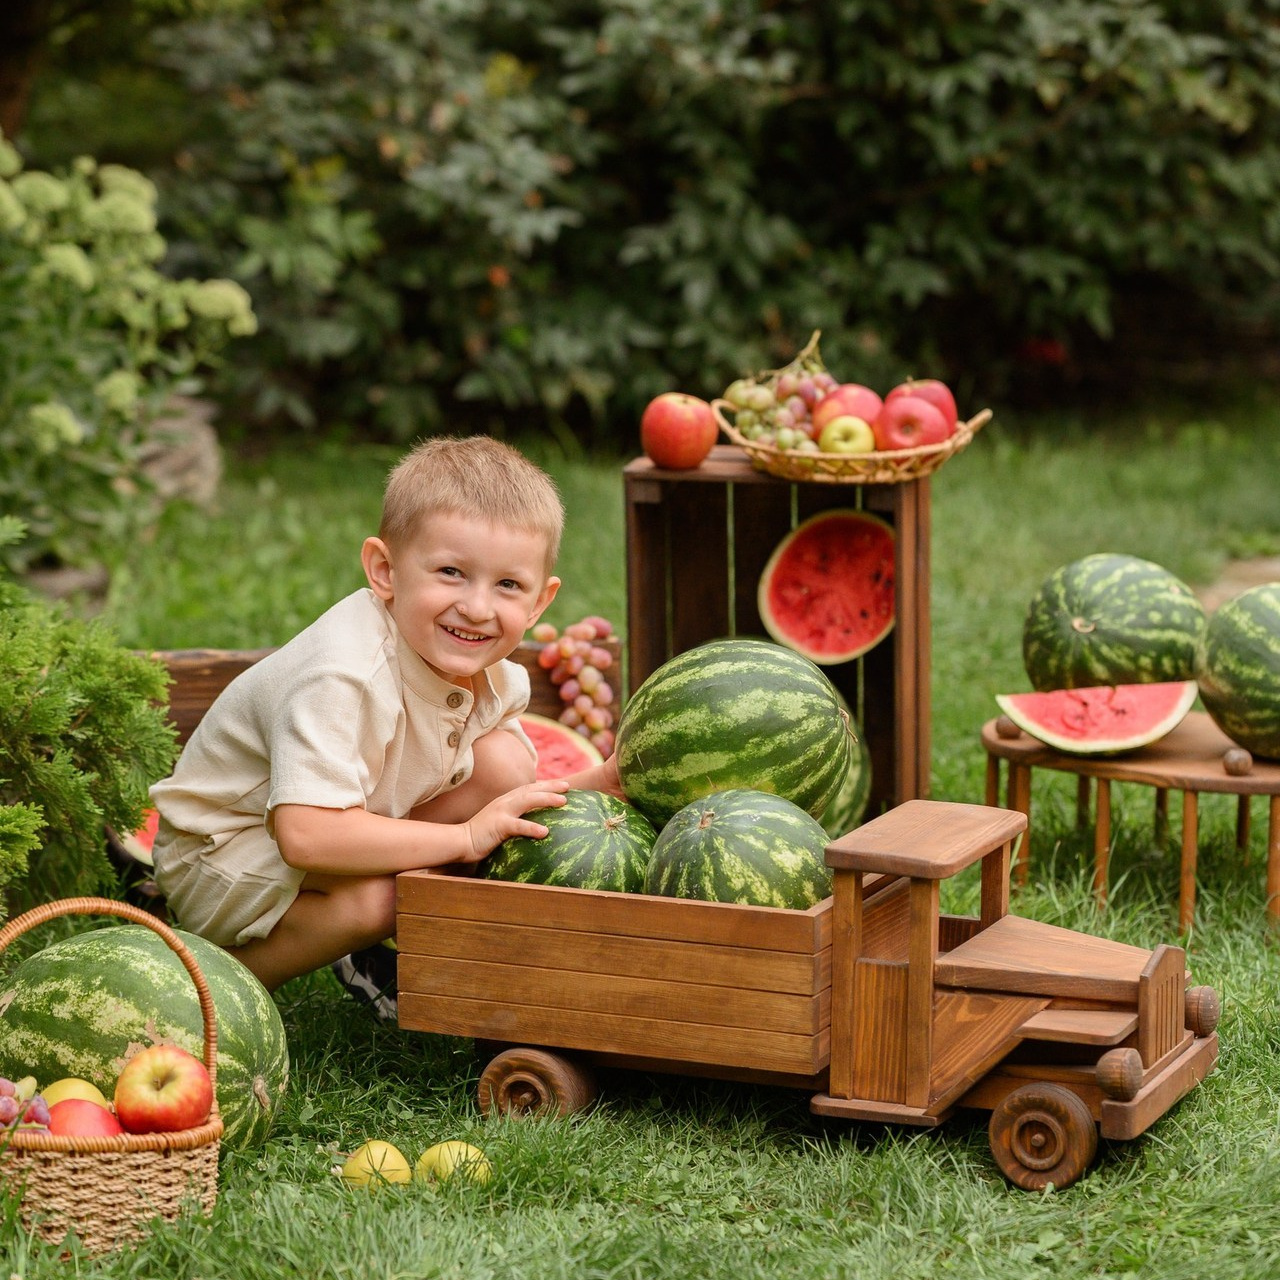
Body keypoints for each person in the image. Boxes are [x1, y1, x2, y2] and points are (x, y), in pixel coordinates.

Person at [150, 435, 618, 1008]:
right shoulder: (342, 676)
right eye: (451, 571)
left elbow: (512, 795)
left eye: (507, 585)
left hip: (351, 814)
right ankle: (217, 989)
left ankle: (361, 939)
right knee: (378, 900)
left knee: (504, 764)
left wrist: (601, 781)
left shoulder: (490, 671)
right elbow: (306, 834)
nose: (476, 607)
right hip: (224, 853)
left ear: (540, 602)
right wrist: (464, 838)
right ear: (385, 570)